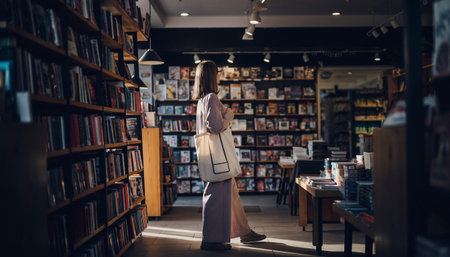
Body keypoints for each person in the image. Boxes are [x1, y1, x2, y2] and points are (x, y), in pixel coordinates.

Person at [193, 60, 266, 251]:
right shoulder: (211, 98)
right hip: (219, 159)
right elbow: (215, 127)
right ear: (211, 76)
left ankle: (245, 232)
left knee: (230, 196)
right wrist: (229, 116)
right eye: (217, 73)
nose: (219, 76)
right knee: (216, 198)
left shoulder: (202, 100)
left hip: (212, 156)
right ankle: (211, 240)